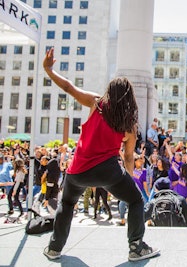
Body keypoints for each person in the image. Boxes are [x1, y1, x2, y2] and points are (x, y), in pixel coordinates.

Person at [42, 47, 159, 262]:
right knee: (135, 201)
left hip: (77, 170)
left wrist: (49, 70)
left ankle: (54, 249)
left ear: (109, 91)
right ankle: (136, 247)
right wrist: (129, 182)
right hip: (108, 171)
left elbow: (69, 87)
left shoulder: (96, 103)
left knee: (66, 204)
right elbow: (129, 157)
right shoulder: (129, 125)